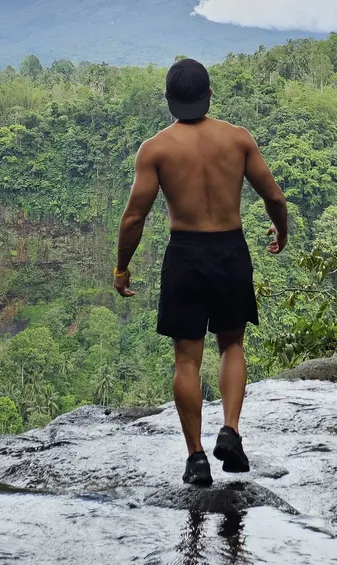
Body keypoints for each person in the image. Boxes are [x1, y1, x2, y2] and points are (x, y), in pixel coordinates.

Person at [113, 58, 288, 486]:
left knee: (187, 360)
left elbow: (134, 217)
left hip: (185, 254)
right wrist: (280, 231)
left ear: (169, 100)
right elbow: (274, 197)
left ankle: (196, 458)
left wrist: (122, 267)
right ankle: (230, 431)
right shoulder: (238, 139)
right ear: (210, 94)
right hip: (230, 250)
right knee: (232, 345)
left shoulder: (155, 149)